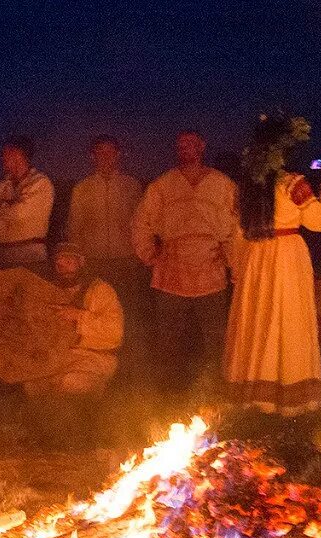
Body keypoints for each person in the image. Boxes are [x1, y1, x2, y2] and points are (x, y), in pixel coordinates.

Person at [224, 115, 321, 416]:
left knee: (258, 319)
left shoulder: (248, 189)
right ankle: (285, 397)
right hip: (286, 258)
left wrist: (239, 270)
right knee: (287, 319)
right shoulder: (293, 184)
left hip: (256, 258)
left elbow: (237, 233)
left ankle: (254, 395)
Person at [132, 131, 239, 393]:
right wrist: (148, 253)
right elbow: (141, 221)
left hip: (210, 272)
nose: (185, 149)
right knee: (168, 339)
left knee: (216, 339)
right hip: (172, 271)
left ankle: (220, 394)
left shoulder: (223, 185)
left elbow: (236, 228)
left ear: (201, 147)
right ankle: (167, 394)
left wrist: (233, 263)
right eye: (180, 145)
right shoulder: (162, 185)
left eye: (190, 145)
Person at [67, 136, 146, 369]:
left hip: (126, 260)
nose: (105, 157)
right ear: (92, 156)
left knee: (129, 312)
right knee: (95, 314)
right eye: (100, 153)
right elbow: (75, 226)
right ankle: (97, 363)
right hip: (95, 261)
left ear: (118, 155)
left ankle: (130, 366)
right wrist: (79, 259)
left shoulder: (132, 186)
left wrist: (141, 253)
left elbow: (141, 224)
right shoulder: (83, 188)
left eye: (110, 152)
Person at [23, 242, 124, 398]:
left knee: (72, 383)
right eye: (59, 264)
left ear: (81, 262)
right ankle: (44, 421)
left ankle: (89, 416)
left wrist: (78, 316)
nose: (63, 267)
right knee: (33, 382)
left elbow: (115, 332)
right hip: (58, 357)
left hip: (94, 357)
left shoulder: (101, 291)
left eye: (68, 261)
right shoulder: (49, 292)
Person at [0, 135, 54, 269]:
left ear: (17, 154)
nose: (1, 158)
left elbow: (20, 214)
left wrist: (0, 209)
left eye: (5, 153)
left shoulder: (41, 183)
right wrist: (11, 207)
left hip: (32, 257)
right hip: (4, 256)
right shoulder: (2, 186)